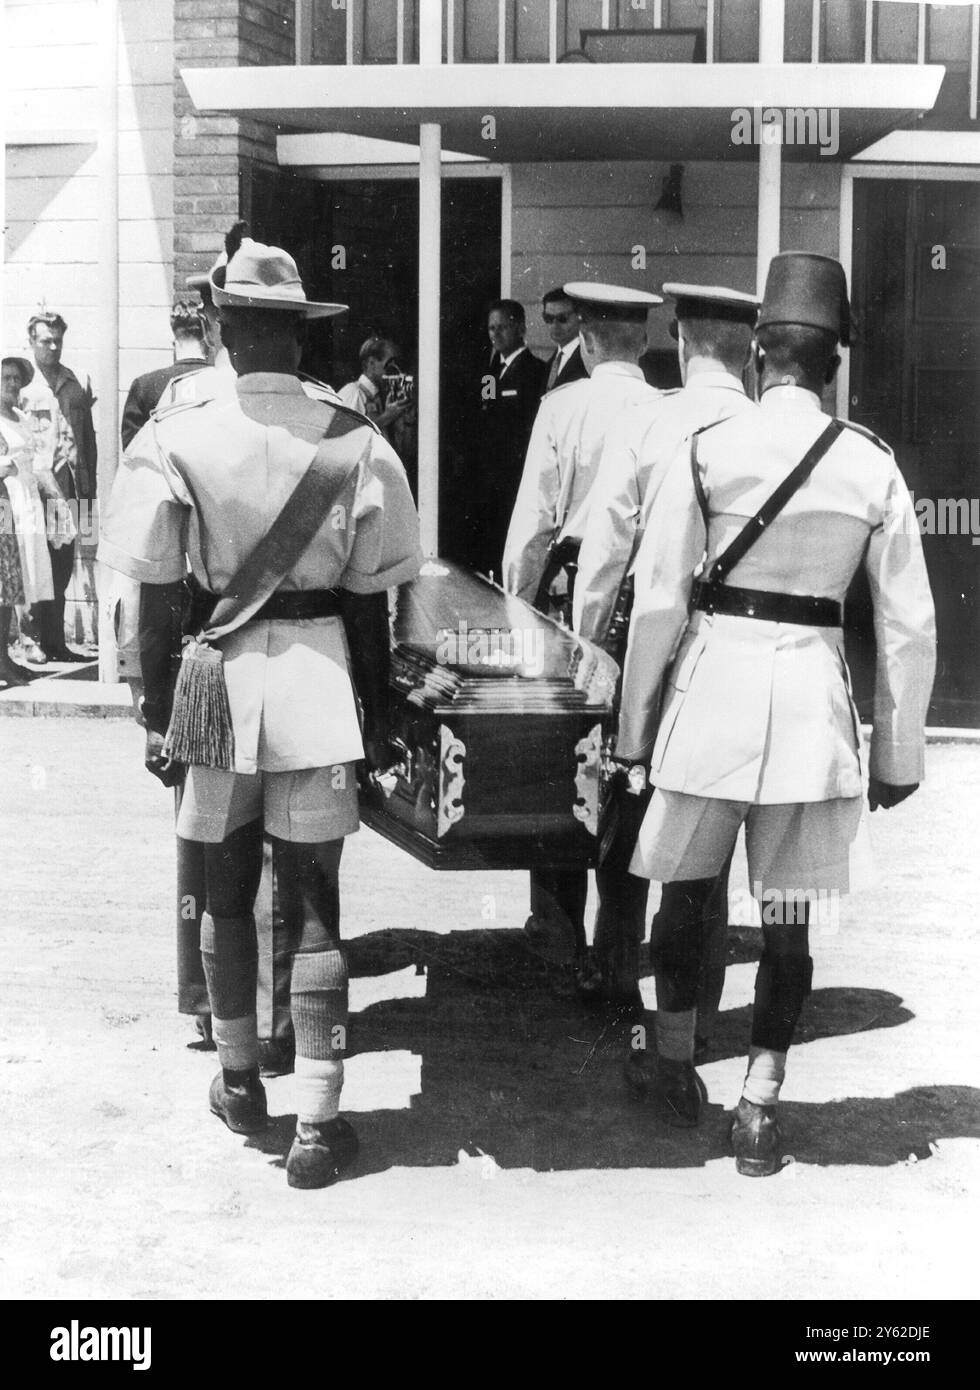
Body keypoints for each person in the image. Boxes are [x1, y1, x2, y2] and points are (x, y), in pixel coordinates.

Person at [99, 236, 423, 1188]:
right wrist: (376, 710)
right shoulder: (355, 439)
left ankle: (241, 1080)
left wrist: (161, 712)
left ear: (228, 330)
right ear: (300, 332)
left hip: (218, 680)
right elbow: (372, 601)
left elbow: (157, 594)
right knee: (317, 897)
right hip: (321, 679)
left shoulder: (175, 433)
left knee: (226, 881)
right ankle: (320, 1124)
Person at [616, 252, 936, 1173]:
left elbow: (662, 600)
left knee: (683, 895)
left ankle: (674, 1064)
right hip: (811, 709)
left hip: (712, 695)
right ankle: (759, 1103)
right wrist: (897, 757)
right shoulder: (870, 465)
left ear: (760, 356)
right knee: (790, 917)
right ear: (836, 363)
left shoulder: (710, 448)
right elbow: (910, 627)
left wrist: (635, 732)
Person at [573, 283, 760, 1048]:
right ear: (749, 349)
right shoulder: (766, 429)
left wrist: (585, 651)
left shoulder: (650, 421)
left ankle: (617, 975)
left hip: (640, 641)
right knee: (705, 841)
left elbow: (606, 553)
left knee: (624, 815)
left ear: (680, 343)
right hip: (727, 655)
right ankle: (694, 1016)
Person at [502, 282, 662, 996]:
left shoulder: (563, 406)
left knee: (563, 758)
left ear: (588, 340)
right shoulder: (669, 412)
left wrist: (517, 610)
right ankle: (619, 947)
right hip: (653, 605)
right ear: (647, 341)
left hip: (572, 604)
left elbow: (532, 525)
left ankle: (558, 930)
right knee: (633, 768)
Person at [19, 312, 96, 661]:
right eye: (44, 340)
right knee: (35, 562)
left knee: (63, 566)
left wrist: (90, 491)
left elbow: (87, 439)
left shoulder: (71, 381)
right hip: (34, 487)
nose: (52, 346)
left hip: (71, 486)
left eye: (57, 340)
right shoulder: (22, 386)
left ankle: (55, 641)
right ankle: (30, 638)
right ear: (31, 341)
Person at [1, 354, 74, 670]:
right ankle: (15, 647)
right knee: (6, 573)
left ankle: (24, 642)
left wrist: (56, 500)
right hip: (6, 500)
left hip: (29, 497)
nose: (12, 383)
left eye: (16, 378)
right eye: (5, 377)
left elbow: (40, 462)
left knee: (29, 569)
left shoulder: (20, 416)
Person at [467, 299, 547, 579]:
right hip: (488, 478)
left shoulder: (535, 371)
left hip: (514, 477)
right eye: (491, 328)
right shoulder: (490, 373)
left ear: (521, 329)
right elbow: (484, 414)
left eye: (502, 327)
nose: (495, 334)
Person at [120, 303, 211, 450]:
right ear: (207, 343)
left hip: (160, 471)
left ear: (174, 344)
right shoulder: (224, 382)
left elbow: (132, 451)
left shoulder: (144, 386)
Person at [338, 338, 412, 437]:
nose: (396, 369)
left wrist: (408, 420)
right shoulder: (353, 392)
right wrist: (386, 417)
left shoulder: (383, 397)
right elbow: (344, 436)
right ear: (371, 364)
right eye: (390, 362)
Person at [541, 288, 587, 390]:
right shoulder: (552, 362)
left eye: (563, 318)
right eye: (548, 318)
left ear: (580, 317)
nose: (554, 325)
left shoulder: (588, 361)